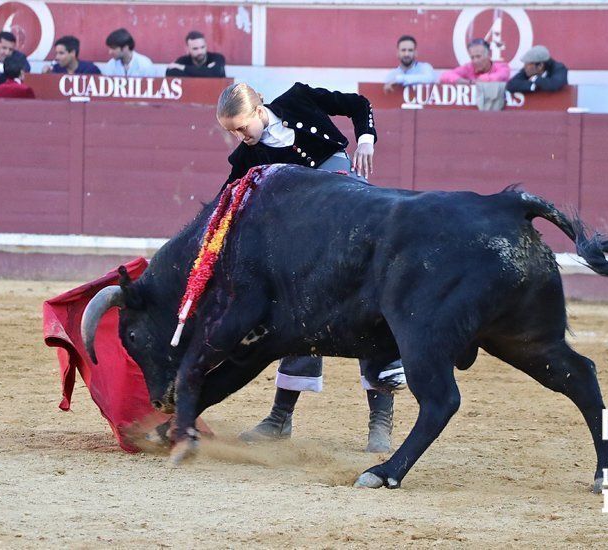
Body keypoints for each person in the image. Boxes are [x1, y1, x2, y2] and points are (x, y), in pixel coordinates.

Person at [216, 82, 405, 452]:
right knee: (297, 314)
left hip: (352, 216)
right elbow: (227, 207)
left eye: (241, 127)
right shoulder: (244, 160)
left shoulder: (298, 99)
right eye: (231, 132)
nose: (239, 137)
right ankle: (279, 418)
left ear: (258, 110)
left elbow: (357, 104)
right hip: (307, 241)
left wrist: (366, 138)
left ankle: (380, 422)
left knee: (368, 307)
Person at [439, 38, 509, 84]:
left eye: (478, 56)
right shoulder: (468, 67)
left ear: (488, 55)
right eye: (472, 57)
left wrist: (481, 80)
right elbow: (445, 76)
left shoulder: (503, 67)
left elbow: (499, 76)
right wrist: (466, 82)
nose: (475, 61)